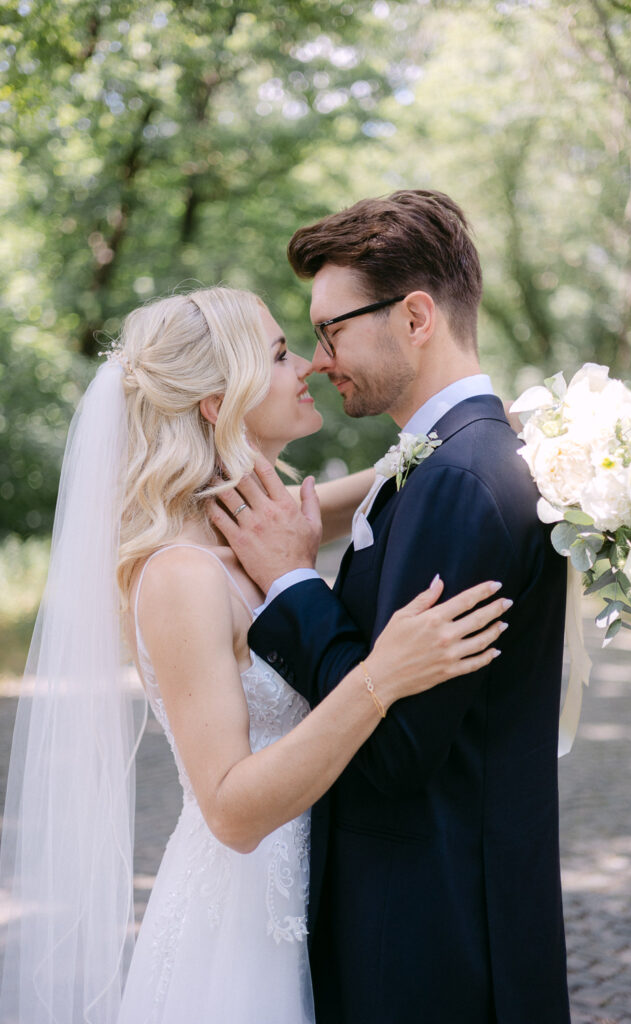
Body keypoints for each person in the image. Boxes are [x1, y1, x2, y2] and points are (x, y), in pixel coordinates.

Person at [0, 286, 508, 1024]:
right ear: (216, 401)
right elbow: (231, 813)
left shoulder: (247, 524)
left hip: (322, 898)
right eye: (277, 353)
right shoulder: (181, 574)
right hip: (239, 929)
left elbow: (379, 487)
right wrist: (378, 678)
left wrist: (492, 430)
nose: (305, 364)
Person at [210, 191, 572, 1024]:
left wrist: (293, 584)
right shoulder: (455, 457)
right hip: (442, 919)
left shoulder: (458, 480)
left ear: (414, 317)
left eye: (331, 329)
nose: (317, 358)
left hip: (425, 940)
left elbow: (397, 750)